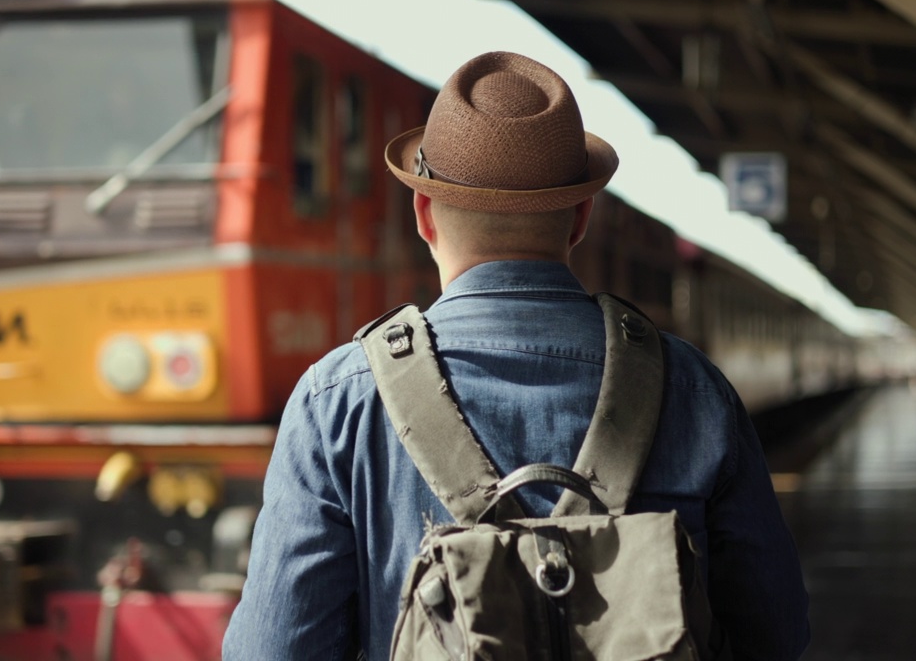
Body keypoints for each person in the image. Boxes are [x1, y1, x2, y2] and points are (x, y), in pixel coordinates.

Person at [222, 51, 810, 661]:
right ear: (580, 217)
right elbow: (777, 632)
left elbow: (274, 648)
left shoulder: (338, 402)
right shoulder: (695, 391)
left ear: (424, 215)